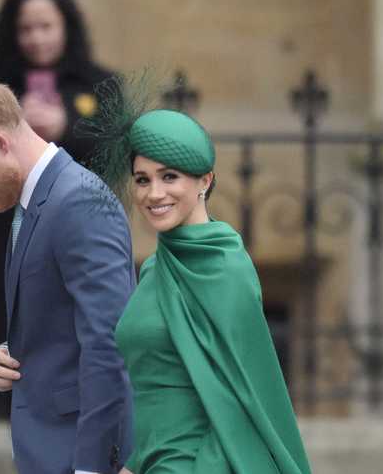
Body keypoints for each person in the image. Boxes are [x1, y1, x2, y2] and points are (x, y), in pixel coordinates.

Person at [0, 81, 134, 474]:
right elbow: (64, 320)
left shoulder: (77, 201)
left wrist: (91, 468)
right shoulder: (35, 201)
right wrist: (11, 352)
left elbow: (110, 343)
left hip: (80, 457)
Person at [84, 105, 312, 473]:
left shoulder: (225, 268)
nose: (153, 193)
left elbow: (241, 401)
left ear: (205, 181)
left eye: (169, 176)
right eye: (142, 180)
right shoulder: (157, 267)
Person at [0, 0, 115, 403]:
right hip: (6, 228)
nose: (36, 38)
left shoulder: (100, 84)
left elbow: (117, 152)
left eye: (46, 27)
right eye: (26, 29)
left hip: (77, 228)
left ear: (66, 26)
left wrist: (66, 126)